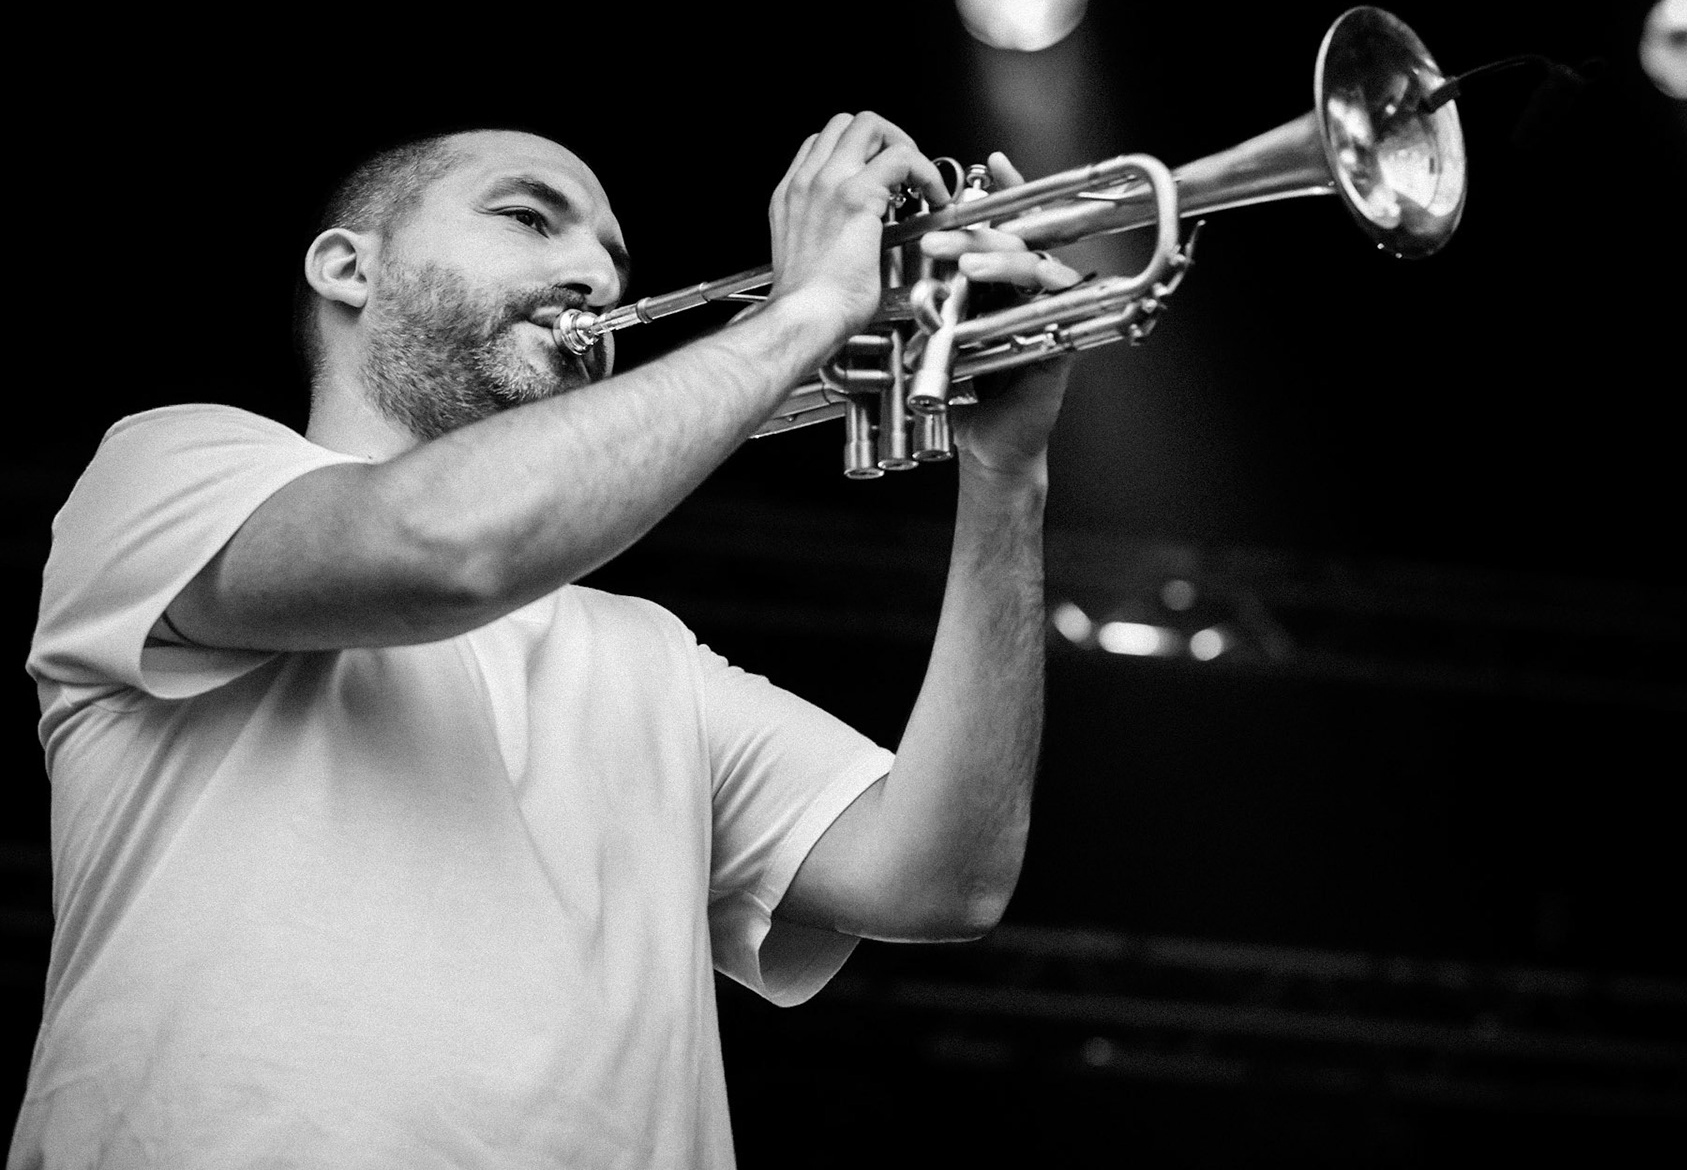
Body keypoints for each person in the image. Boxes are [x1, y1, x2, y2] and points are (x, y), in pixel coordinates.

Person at [14, 115, 1083, 1168]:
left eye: (614, 258)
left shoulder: (650, 654)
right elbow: (440, 547)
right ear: (350, 267)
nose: (596, 279)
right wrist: (806, 310)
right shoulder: (172, 467)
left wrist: (1007, 475)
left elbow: (939, 878)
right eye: (530, 218)